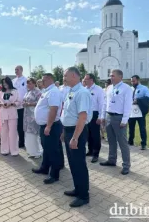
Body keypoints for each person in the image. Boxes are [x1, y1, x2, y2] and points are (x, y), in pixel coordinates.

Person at [61, 67, 92, 207]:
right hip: (69, 131)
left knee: (79, 164)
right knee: (73, 163)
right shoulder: (71, 91)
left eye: (65, 75)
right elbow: (68, 113)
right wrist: (64, 132)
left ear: (74, 75)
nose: (64, 78)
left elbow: (82, 116)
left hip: (76, 132)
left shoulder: (82, 92)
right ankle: (78, 188)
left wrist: (74, 137)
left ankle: (84, 196)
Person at [32, 73, 63, 184]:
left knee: (53, 150)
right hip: (45, 125)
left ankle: (54, 175)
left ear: (50, 79)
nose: (41, 82)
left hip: (51, 126)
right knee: (47, 148)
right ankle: (44, 168)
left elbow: (53, 110)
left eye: (43, 80)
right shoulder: (47, 91)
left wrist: (49, 126)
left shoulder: (53, 91)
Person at [100, 69, 132, 175]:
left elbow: (128, 105)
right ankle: (111, 160)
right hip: (109, 116)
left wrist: (124, 120)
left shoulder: (126, 88)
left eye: (113, 76)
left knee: (122, 143)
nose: (111, 78)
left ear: (120, 77)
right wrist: (103, 117)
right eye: (110, 76)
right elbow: (105, 103)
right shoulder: (109, 88)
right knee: (111, 140)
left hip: (119, 118)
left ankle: (126, 165)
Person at [83, 73, 105, 163]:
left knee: (95, 135)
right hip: (86, 114)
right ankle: (90, 150)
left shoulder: (98, 89)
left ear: (91, 80)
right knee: (88, 134)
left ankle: (96, 154)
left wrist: (100, 117)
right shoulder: (84, 89)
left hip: (95, 114)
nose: (84, 81)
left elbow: (101, 104)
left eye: (86, 79)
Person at [0, 77, 20, 156]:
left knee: (13, 133)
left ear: (9, 82)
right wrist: (1, 104)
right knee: (3, 133)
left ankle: (14, 151)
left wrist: (11, 104)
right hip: (3, 114)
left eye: (6, 83)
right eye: (3, 83)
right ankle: (5, 150)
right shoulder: (1, 92)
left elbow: (19, 102)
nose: (4, 84)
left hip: (12, 114)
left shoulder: (15, 91)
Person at [128, 75, 149, 150]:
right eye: (131, 81)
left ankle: (143, 144)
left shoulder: (144, 88)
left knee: (142, 128)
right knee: (131, 127)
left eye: (134, 81)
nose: (132, 82)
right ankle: (130, 141)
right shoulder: (130, 89)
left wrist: (138, 100)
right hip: (131, 111)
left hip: (140, 112)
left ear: (138, 80)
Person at [23, 77, 43, 158]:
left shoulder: (37, 92)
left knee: (34, 133)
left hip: (33, 115)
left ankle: (37, 152)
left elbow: (39, 103)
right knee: (28, 133)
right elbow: (24, 100)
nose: (28, 85)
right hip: (27, 115)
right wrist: (24, 103)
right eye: (28, 83)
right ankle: (31, 152)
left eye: (30, 83)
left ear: (34, 83)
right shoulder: (28, 92)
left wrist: (29, 104)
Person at [12, 65, 27, 148]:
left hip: (22, 106)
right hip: (13, 106)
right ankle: (17, 140)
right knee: (15, 125)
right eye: (15, 70)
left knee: (21, 125)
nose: (16, 71)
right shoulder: (13, 80)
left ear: (21, 70)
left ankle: (22, 141)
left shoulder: (26, 80)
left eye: (17, 69)